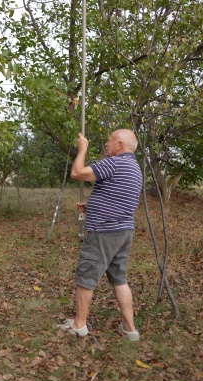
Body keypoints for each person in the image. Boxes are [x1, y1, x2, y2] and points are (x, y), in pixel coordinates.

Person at [59, 129, 143, 341]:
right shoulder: (134, 168)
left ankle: (79, 325)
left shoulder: (114, 163)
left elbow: (77, 173)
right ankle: (130, 329)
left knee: (86, 277)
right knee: (119, 279)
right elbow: (119, 199)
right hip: (123, 232)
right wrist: (92, 207)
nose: (106, 143)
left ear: (120, 145)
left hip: (104, 232)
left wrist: (83, 149)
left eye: (110, 140)